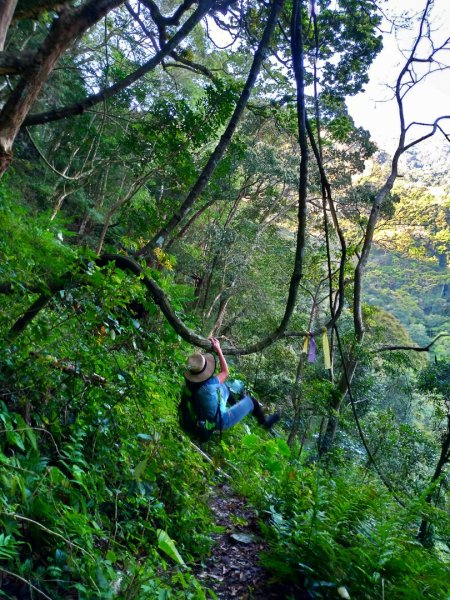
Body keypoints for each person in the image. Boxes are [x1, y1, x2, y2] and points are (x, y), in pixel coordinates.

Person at [184, 337, 280, 433]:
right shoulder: (210, 385)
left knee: (224, 387)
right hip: (220, 421)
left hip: (205, 411)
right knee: (252, 401)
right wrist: (218, 350)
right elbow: (225, 372)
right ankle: (265, 423)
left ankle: (237, 405)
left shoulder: (191, 383)